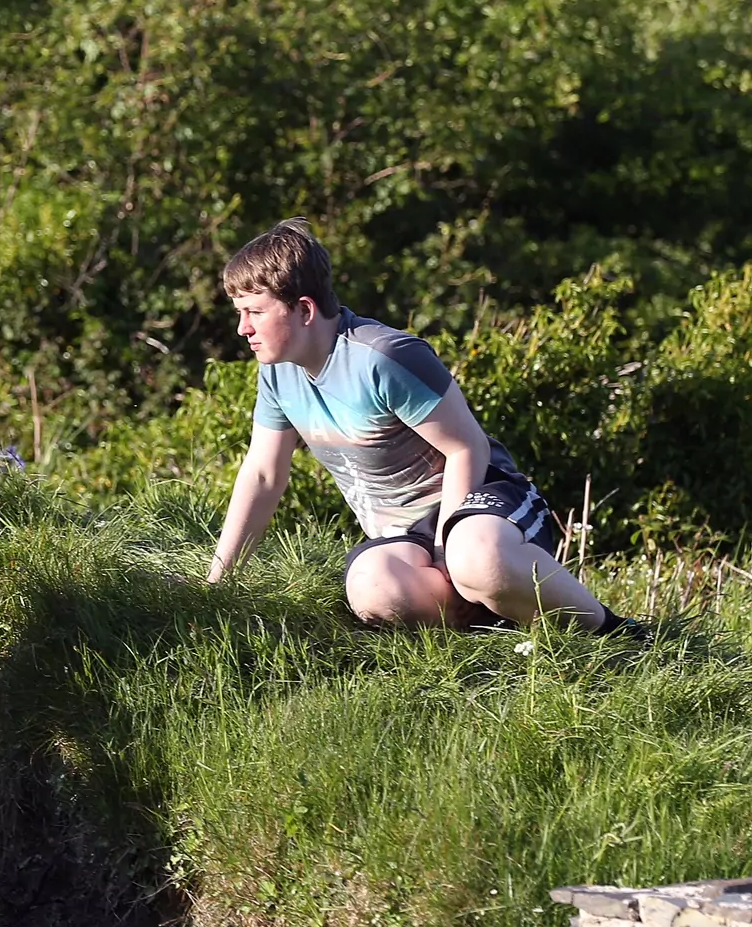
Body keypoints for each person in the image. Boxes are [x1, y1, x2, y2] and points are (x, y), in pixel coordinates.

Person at [205, 219, 639, 635]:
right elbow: (263, 474)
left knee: (478, 560)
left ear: (303, 309)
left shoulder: (385, 356)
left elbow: (467, 448)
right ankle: (500, 622)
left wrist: (447, 555)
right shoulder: (279, 373)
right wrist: (217, 581)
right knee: (371, 587)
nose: (243, 328)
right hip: (405, 535)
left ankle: (616, 634)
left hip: (483, 500)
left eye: (254, 312)